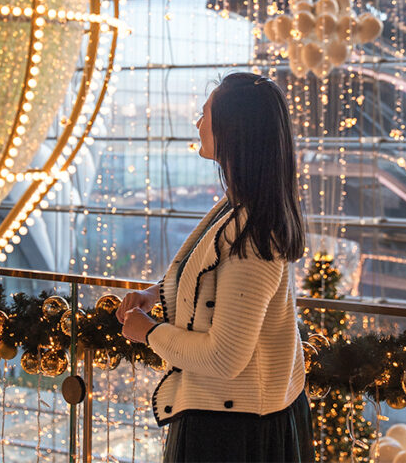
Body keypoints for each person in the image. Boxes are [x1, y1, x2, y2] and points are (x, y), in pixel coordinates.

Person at [118, 72, 315, 463]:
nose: (198, 123)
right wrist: (154, 294)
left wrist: (150, 333)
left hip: (236, 430)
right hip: (236, 415)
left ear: (233, 130)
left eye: (206, 113)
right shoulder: (241, 205)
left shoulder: (254, 234)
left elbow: (225, 357)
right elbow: (210, 273)